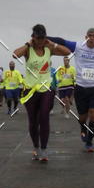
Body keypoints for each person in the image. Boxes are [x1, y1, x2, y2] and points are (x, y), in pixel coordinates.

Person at [13, 24, 70, 162]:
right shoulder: (28, 50)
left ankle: (44, 150)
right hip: (30, 90)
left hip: (46, 88)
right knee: (33, 121)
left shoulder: (48, 48)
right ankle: (36, 147)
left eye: (43, 38)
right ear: (33, 38)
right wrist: (28, 44)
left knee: (44, 116)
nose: (40, 41)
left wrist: (53, 44)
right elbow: (15, 54)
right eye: (38, 38)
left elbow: (67, 52)